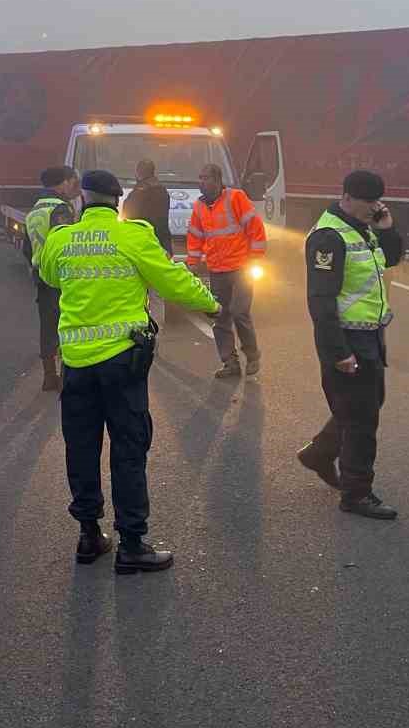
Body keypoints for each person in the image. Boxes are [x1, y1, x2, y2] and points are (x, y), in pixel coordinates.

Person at [39, 169, 219, 573]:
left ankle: (89, 535)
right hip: (123, 362)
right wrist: (211, 303)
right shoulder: (132, 236)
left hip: (76, 364)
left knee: (81, 448)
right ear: (117, 201)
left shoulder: (61, 239)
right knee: (129, 448)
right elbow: (171, 281)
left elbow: (48, 275)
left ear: (82, 200)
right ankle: (132, 544)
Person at [298, 169, 406, 519]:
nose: (372, 208)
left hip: (369, 334)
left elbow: (391, 259)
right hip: (347, 338)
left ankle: (319, 453)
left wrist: (386, 227)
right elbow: (321, 299)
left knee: (367, 403)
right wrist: (337, 352)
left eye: (376, 202)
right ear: (347, 197)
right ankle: (356, 493)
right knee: (361, 418)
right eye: (367, 202)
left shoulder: (362, 227)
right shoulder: (329, 236)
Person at [187, 162, 268, 379]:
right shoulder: (199, 207)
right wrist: (192, 264)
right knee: (220, 316)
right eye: (200, 177)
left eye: (205, 178)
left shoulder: (236, 198)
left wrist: (256, 259)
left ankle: (252, 355)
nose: (201, 182)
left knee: (240, 311)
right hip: (217, 269)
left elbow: (255, 228)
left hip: (241, 267)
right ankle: (230, 363)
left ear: (217, 180)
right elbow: (195, 237)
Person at [27, 165, 80, 392]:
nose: (74, 187)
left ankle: (49, 375)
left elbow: (27, 247)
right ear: (64, 182)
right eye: (72, 182)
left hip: (41, 273)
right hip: (61, 275)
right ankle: (66, 374)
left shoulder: (36, 208)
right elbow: (65, 244)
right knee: (66, 324)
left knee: (47, 325)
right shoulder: (60, 209)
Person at [122, 159, 173, 256]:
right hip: (161, 241)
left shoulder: (139, 192)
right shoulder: (161, 189)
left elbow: (128, 214)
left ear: (138, 172)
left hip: (142, 243)